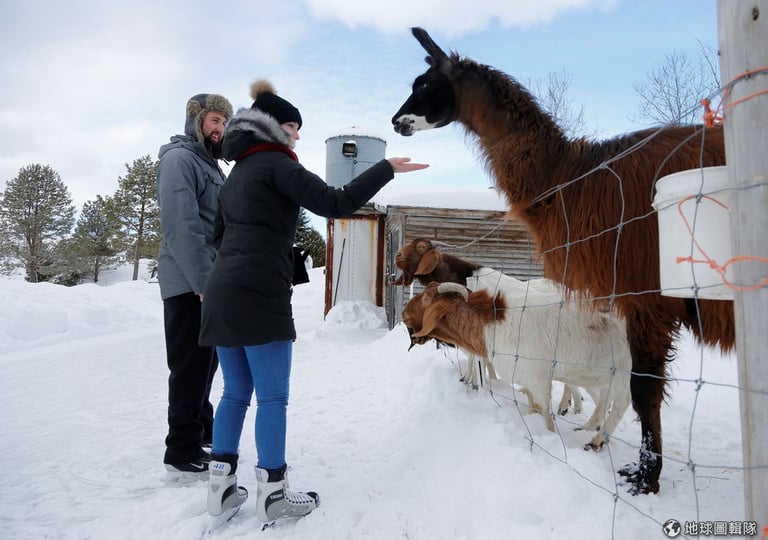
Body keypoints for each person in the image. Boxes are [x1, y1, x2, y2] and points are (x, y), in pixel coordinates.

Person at [199, 79, 428, 529]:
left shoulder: (237, 175)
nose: (298, 136)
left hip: (222, 291)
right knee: (273, 397)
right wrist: (385, 168)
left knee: (233, 393)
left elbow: (219, 239)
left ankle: (220, 492)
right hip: (258, 294)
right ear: (271, 129)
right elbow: (335, 202)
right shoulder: (276, 164)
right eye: (292, 126)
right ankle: (273, 495)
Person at [156, 92, 233, 481]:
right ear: (196, 120)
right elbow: (180, 225)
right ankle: (181, 449)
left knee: (208, 361)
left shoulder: (212, 166)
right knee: (189, 364)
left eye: (224, 122)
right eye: (215, 120)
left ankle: (202, 430)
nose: (220, 128)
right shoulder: (179, 160)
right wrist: (203, 282)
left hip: (209, 279)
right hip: (188, 280)